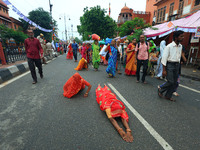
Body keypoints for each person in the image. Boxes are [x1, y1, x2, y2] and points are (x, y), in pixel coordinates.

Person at [158, 30, 184, 101]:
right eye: (181, 36)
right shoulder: (169, 46)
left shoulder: (180, 46)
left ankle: (168, 95)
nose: (183, 38)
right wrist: (164, 70)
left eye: (183, 36)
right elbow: (164, 58)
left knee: (175, 82)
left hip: (177, 65)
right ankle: (161, 89)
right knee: (170, 81)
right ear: (176, 37)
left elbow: (178, 56)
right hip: (170, 65)